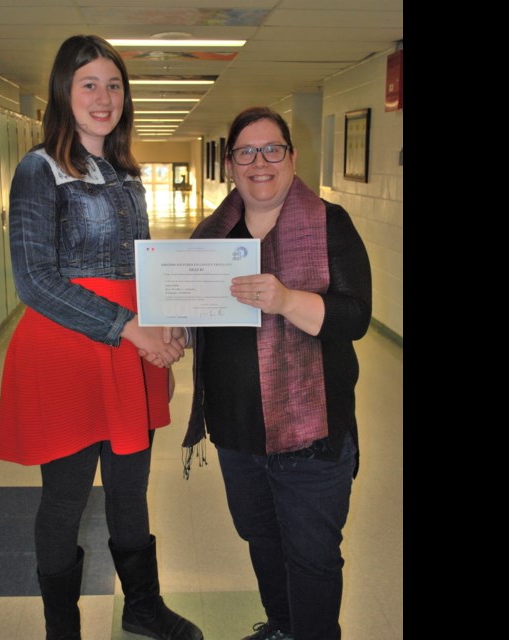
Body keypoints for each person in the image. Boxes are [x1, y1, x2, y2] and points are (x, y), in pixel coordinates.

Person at [0, 34, 202, 640]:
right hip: (69, 350)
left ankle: (141, 606)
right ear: (65, 91)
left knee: (130, 489)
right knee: (65, 499)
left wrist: (169, 321)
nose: (104, 97)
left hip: (132, 350)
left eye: (114, 85)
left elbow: (140, 268)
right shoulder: (39, 168)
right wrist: (129, 328)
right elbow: (34, 280)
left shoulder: (126, 176)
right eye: (89, 83)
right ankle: (62, 626)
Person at [182, 107, 372, 640]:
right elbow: (200, 318)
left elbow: (355, 317)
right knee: (261, 539)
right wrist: (175, 329)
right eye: (246, 151)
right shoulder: (212, 234)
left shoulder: (330, 223)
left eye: (272, 149)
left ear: (291, 157)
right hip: (238, 432)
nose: (259, 161)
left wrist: (288, 300)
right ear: (230, 162)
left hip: (311, 436)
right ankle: (284, 628)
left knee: (311, 556)